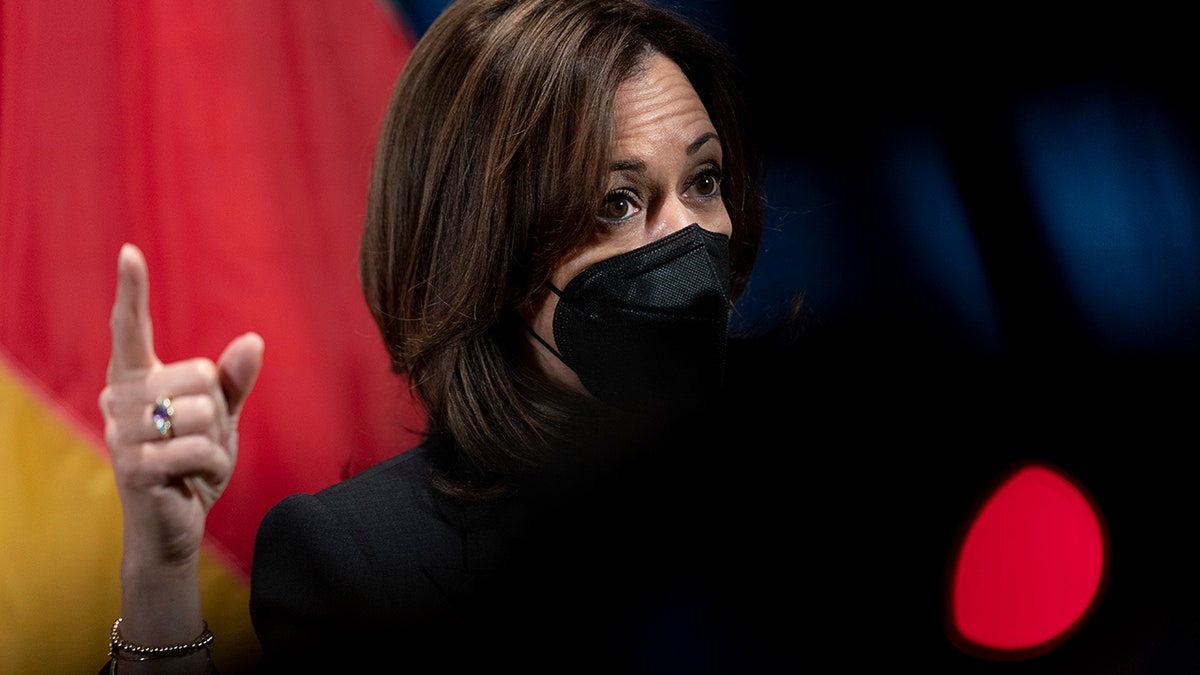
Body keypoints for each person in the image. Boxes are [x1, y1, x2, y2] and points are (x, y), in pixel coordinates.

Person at [98, 0, 794, 671]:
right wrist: (159, 576)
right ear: (484, 256)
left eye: (704, 181)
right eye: (617, 202)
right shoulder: (359, 563)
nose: (690, 234)